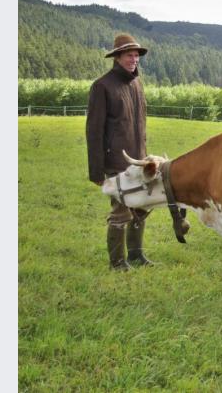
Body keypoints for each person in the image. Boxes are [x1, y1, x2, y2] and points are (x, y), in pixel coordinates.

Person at [86, 33, 152, 270]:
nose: (134, 59)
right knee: (120, 212)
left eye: (136, 55)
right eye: (129, 55)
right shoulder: (102, 86)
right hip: (115, 163)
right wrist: (97, 171)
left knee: (142, 208)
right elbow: (94, 132)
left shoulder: (137, 84)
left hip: (139, 163)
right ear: (117, 57)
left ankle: (135, 255)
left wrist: (144, 160)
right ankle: (117, 262)